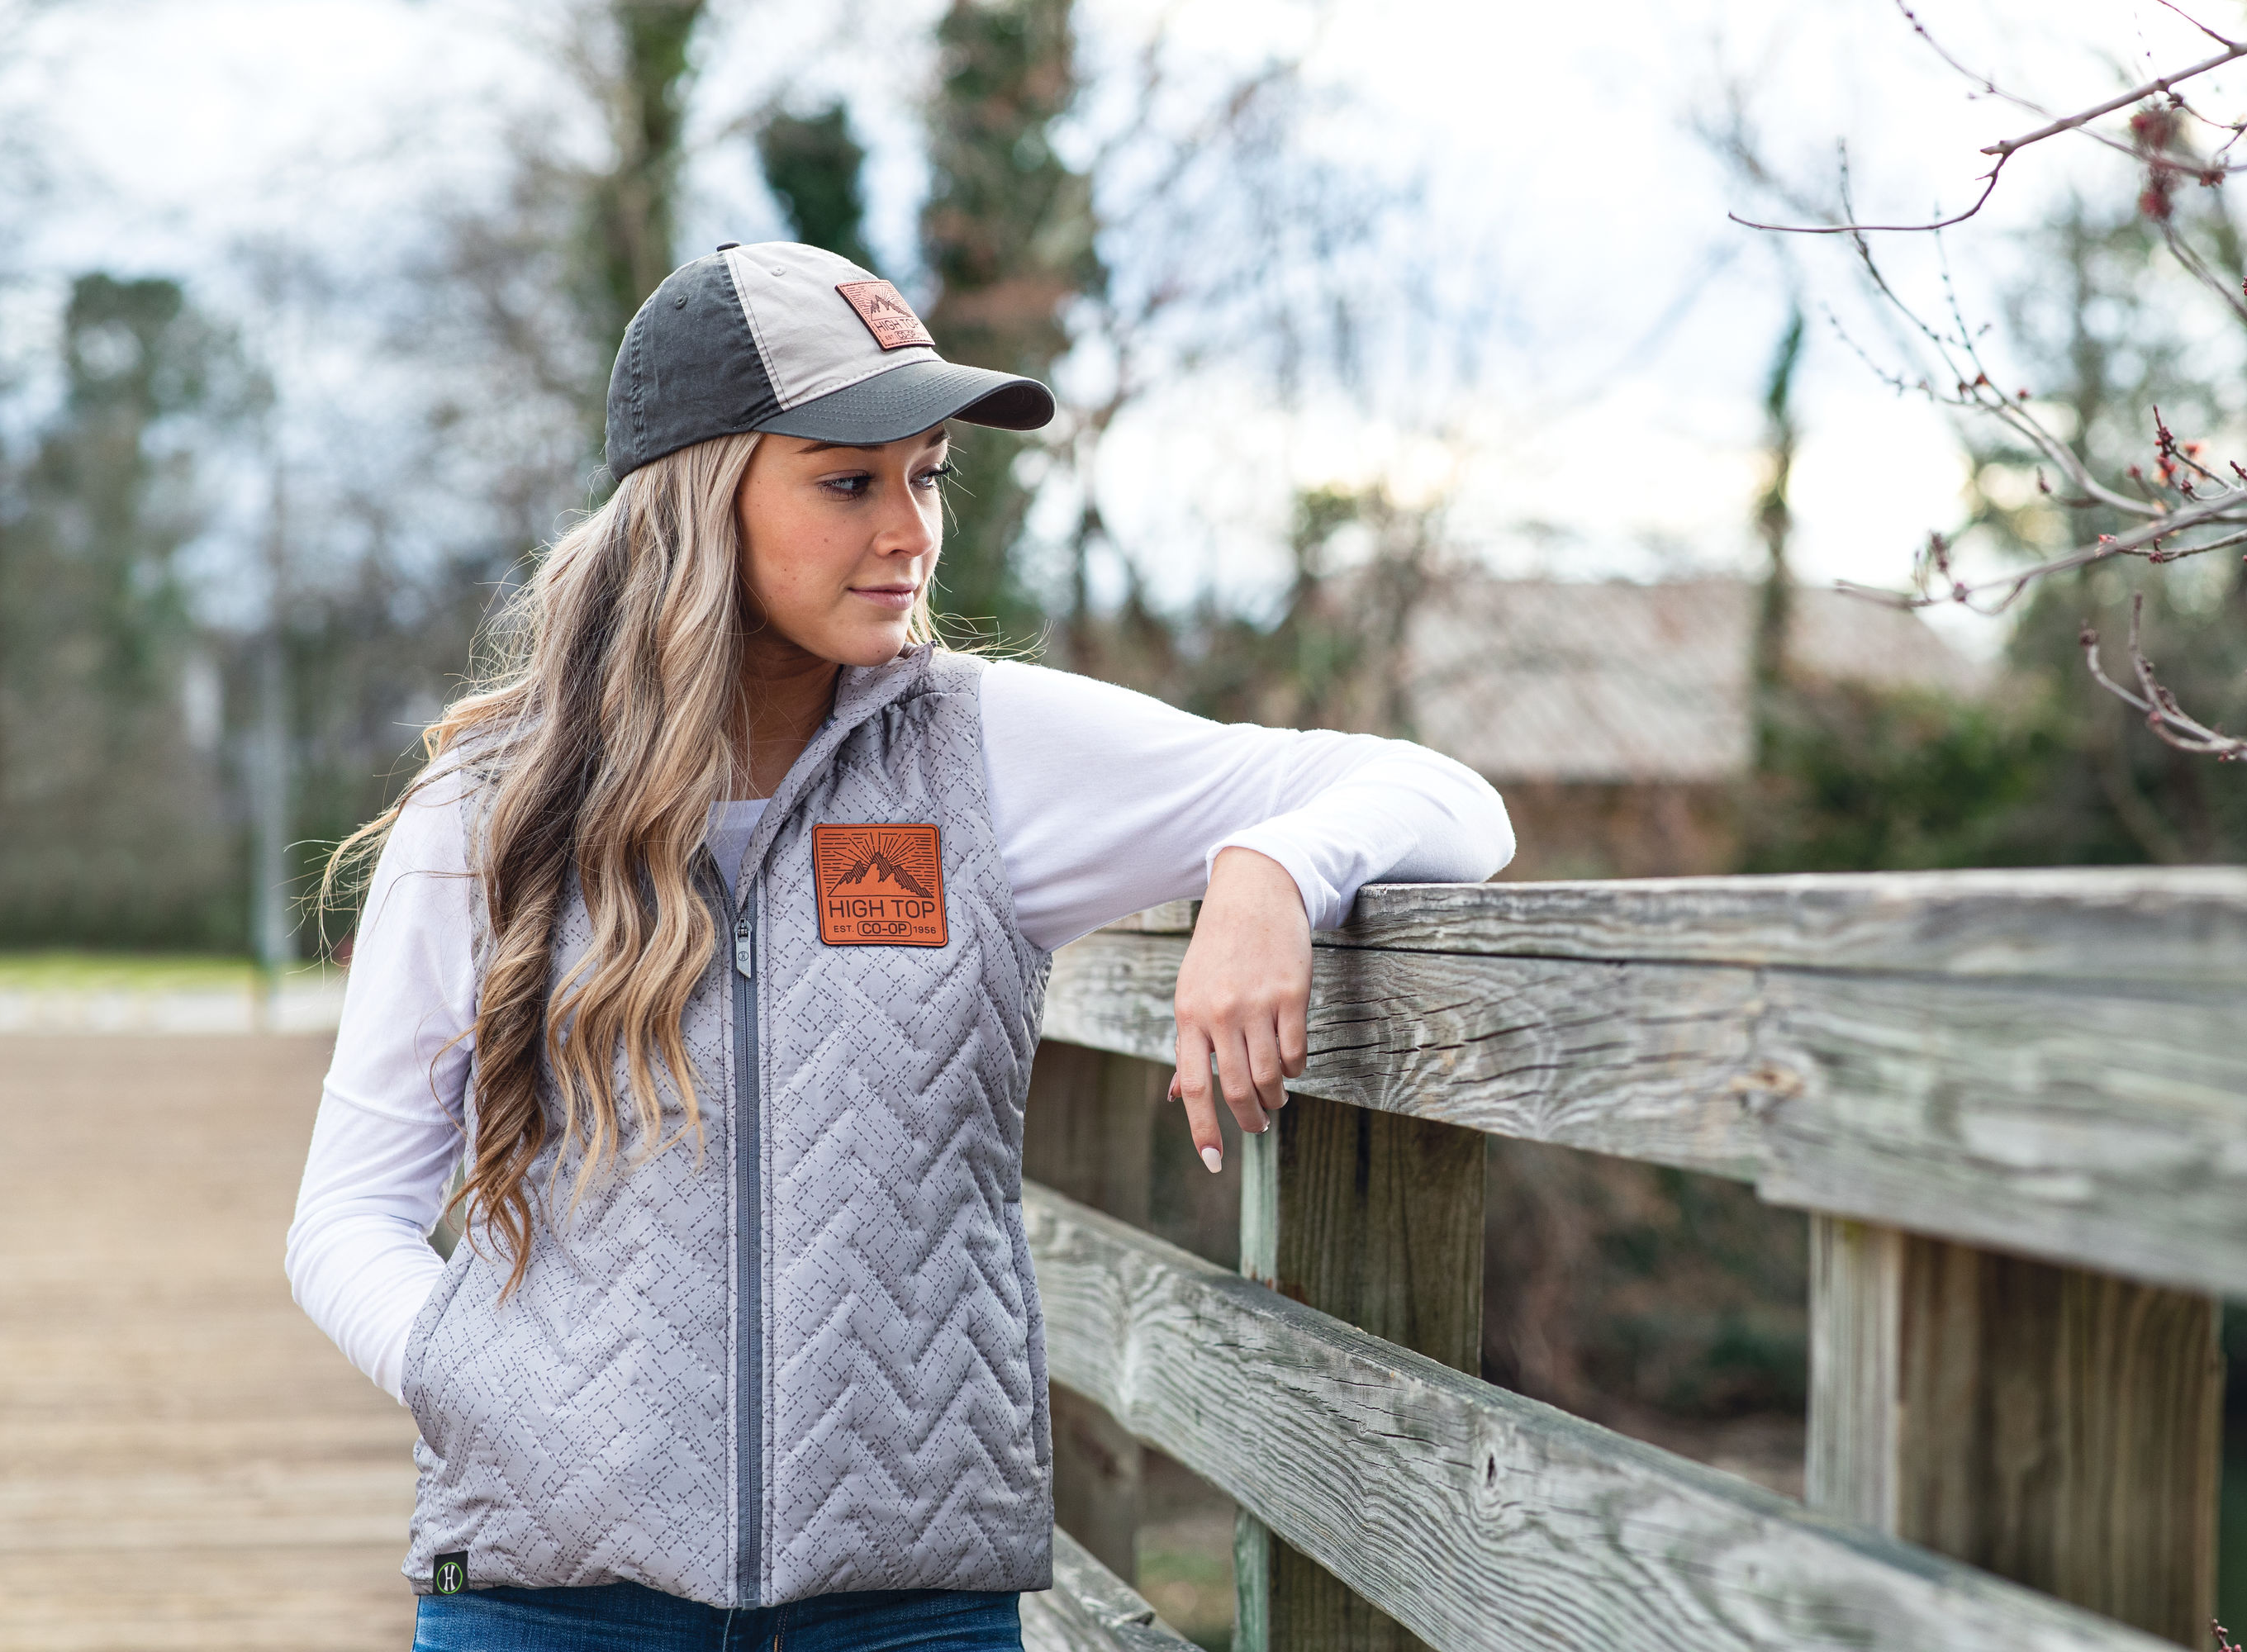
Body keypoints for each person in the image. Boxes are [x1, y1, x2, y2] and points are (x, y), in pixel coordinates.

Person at [286, 240, 1513, 1652]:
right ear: (698, 497)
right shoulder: (495, 809)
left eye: (926, 475)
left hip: (909, 1608)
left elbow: (1450, 800)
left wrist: (1273, 867)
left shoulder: (989, 755)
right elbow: (347, 1219)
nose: (912, 531)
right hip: (552, 1599)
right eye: (849, 480)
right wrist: (492, 1379)